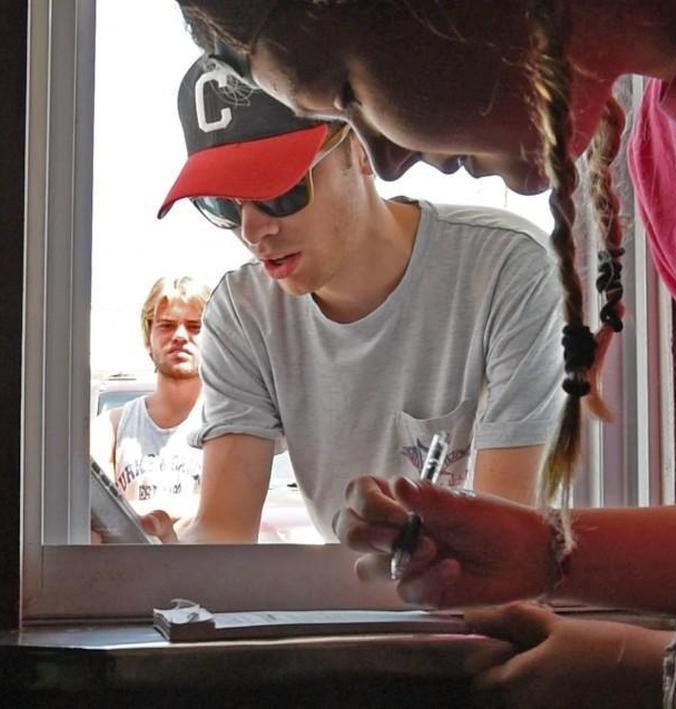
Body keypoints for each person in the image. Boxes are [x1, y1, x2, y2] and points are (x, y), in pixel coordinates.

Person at [176, 1, 676, 706]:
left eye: (347, 88)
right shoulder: (665, 156)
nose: (383, 157)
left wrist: (667, 668)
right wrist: (548, 553)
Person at [154, 55, 565, 543]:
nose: (252, 230)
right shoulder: (243, 312)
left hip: (483, 606)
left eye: (279, 191)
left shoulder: (506, 269)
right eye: (222, 204)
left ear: (362, 150)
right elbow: (224, 531)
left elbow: (503, 543)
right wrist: (155, 564)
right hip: (347, 604)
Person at [91, 275, 211, 527]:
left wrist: (132, 512)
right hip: (128, 567)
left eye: (194, 326)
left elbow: (223, 512)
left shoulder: (226, 427)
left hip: (204, 567)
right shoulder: (110, 428)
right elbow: (97, 515)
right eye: (166, 325)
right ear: (148, 338)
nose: (179, 336)